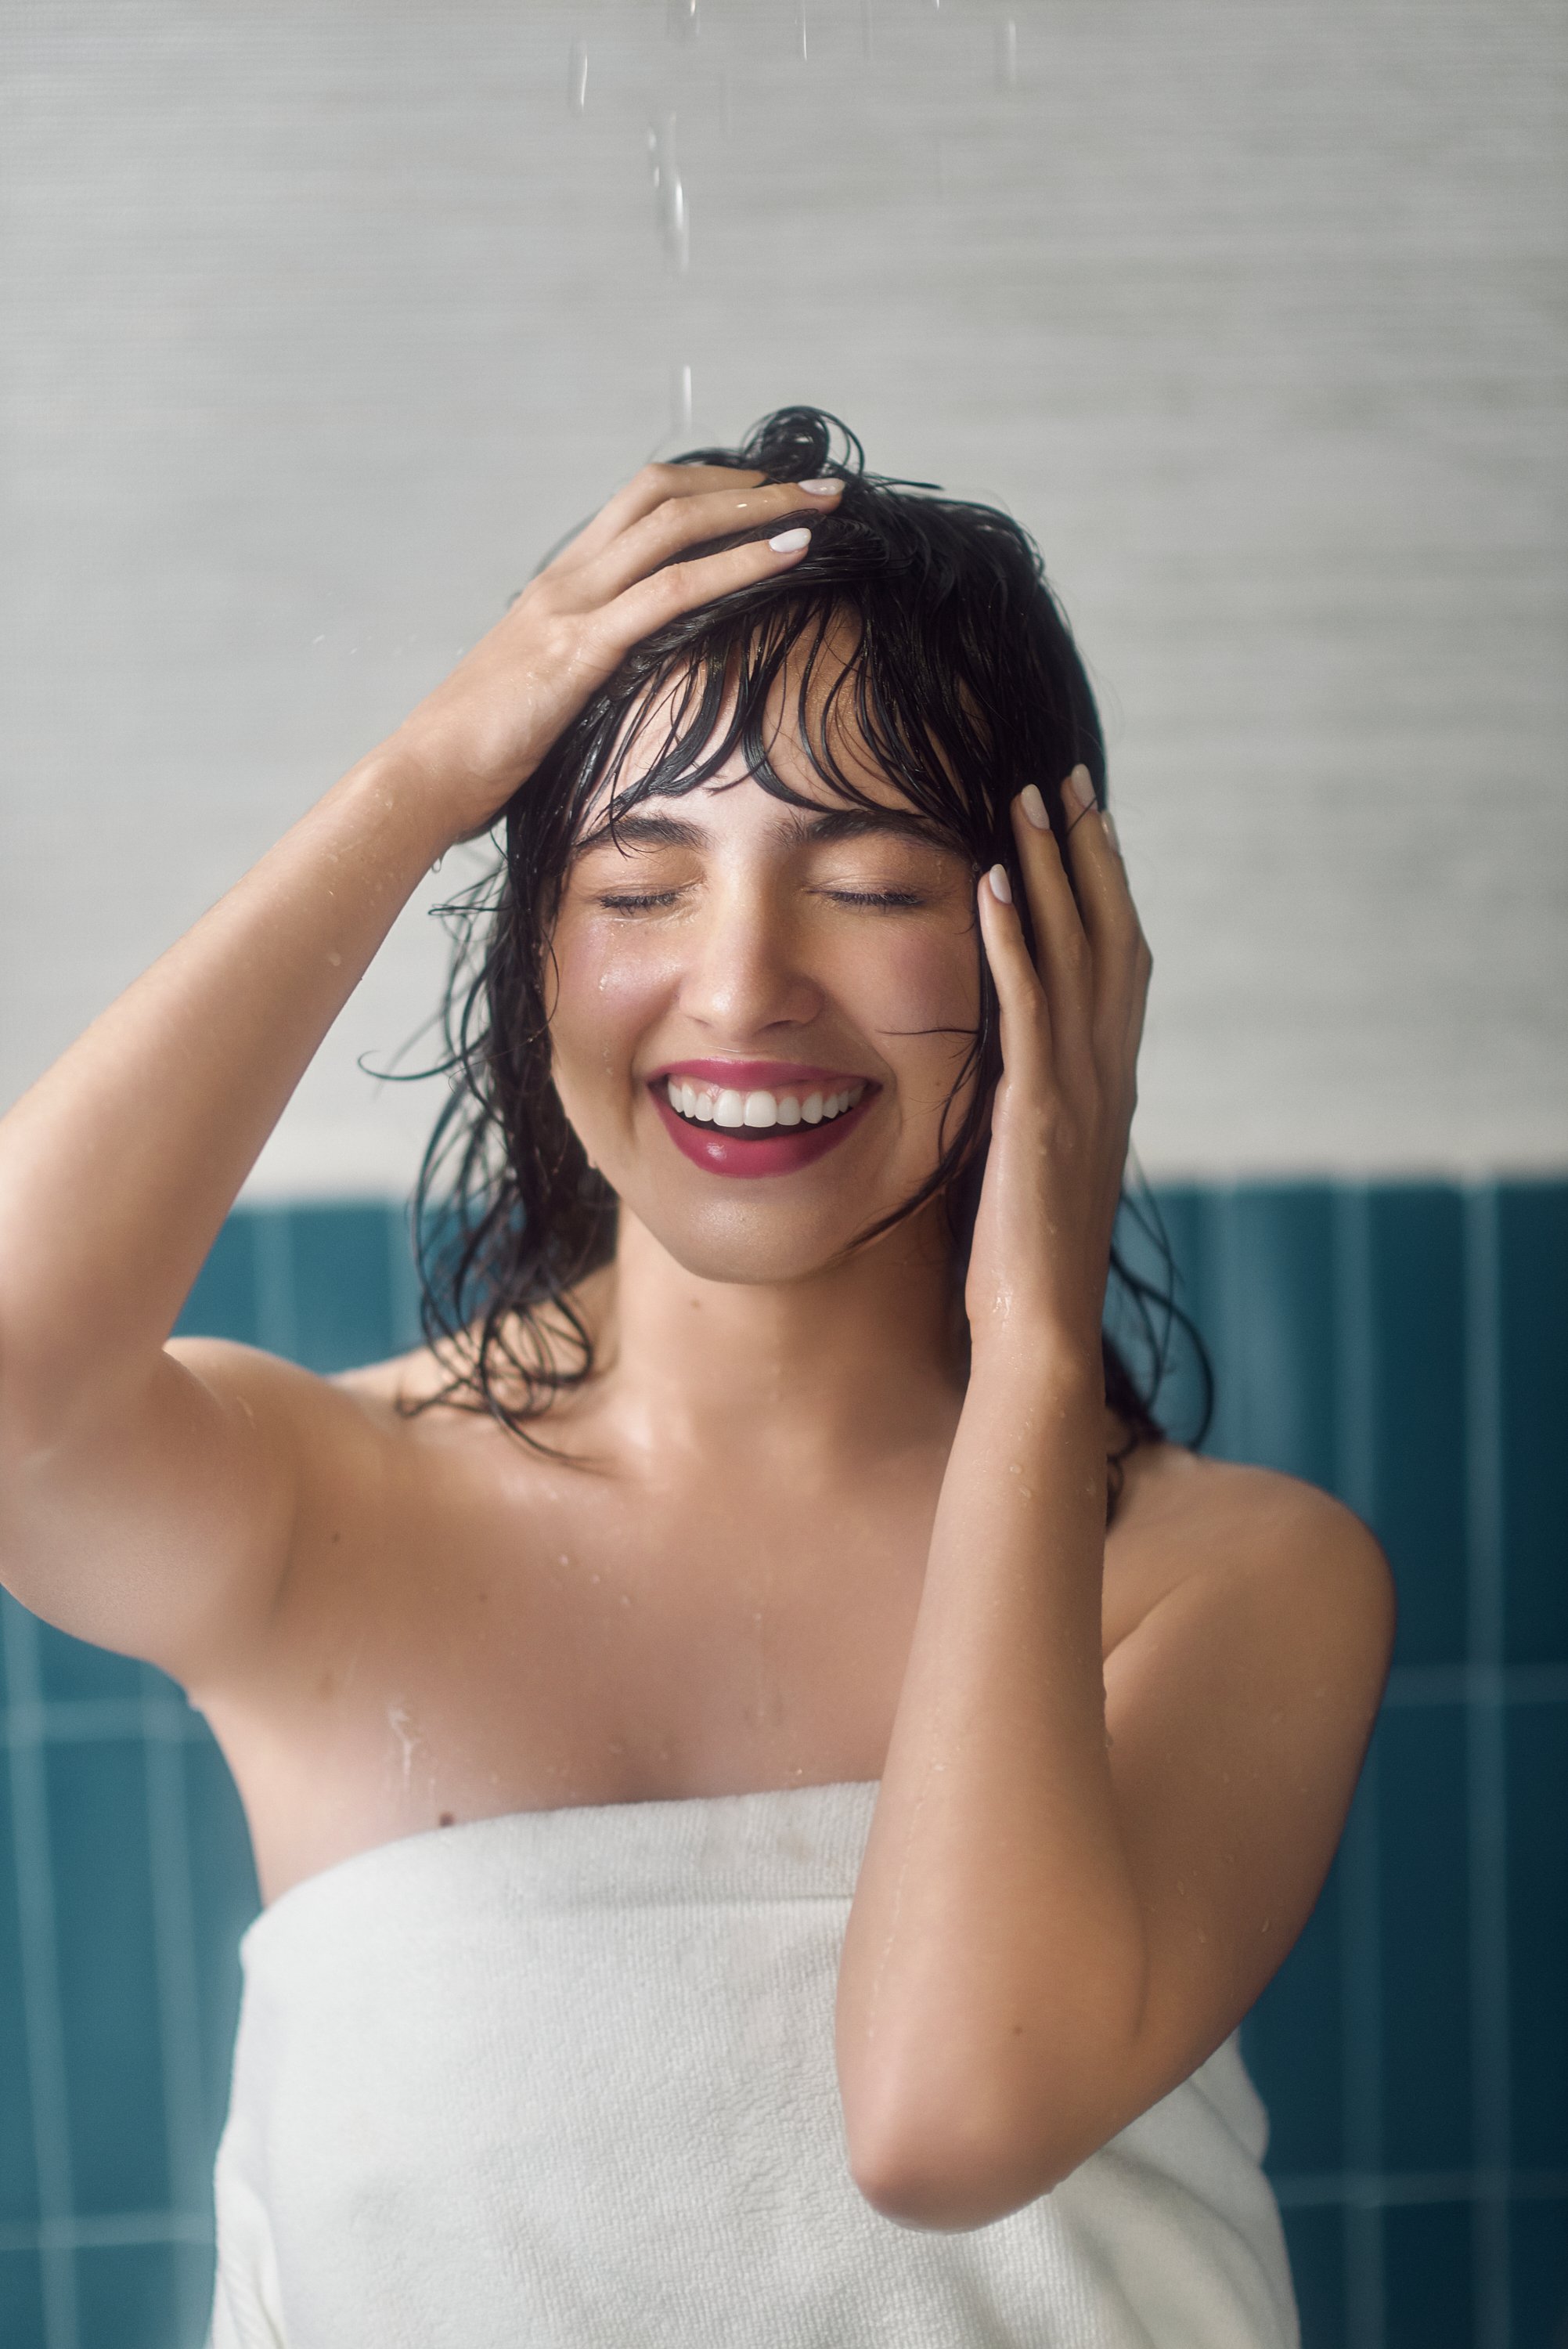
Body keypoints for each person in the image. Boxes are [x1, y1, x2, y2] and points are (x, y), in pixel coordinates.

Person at [0, 407, 1393, 2346]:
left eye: (875, 884)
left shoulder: (1235, 1580)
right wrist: (428, 777)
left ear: (1052, 953)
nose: (740, 989)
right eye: (640, 888)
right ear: (534, 956)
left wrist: (1037, 1341)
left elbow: (941, 2120)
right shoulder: (325, 1509)